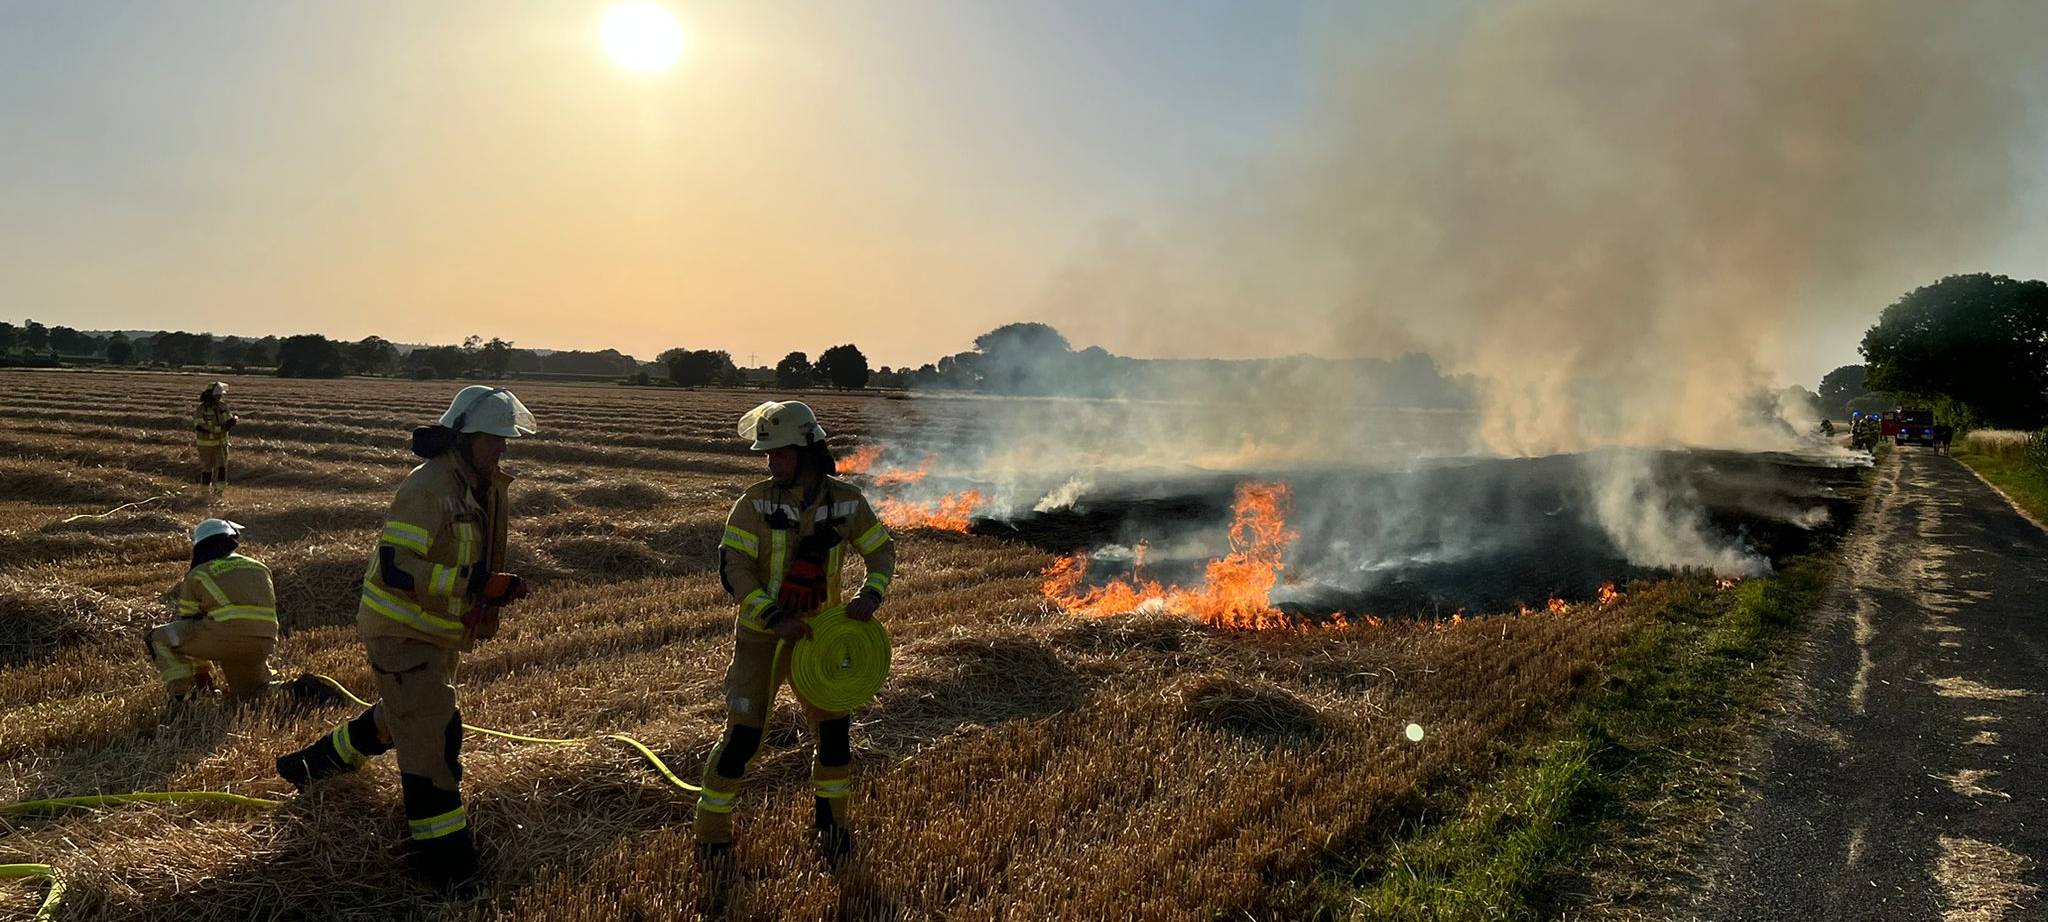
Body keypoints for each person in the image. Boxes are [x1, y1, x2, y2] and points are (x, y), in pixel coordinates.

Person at [273, 386, 534, 893]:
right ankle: (445, 865)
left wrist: (490, 590)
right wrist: (475, 584)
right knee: (432, 744)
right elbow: (397, 567)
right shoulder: (429, 487)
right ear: (464, 437)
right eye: (494, 439)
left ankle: (313, 765)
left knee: (405, 714)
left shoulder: (474, 484)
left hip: (435, 629)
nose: (503, 447)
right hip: (401, 628)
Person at [695, 400, 897, 865]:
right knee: (744, 739)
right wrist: (772, 616)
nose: (771, 462)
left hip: (821, 641)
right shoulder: (754, 503)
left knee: (835, 736)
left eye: (780, 453)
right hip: (762, 638)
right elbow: (734, 568)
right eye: (768, 454)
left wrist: (871, 595)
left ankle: (833, 825)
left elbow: (881, 552)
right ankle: (712, 835)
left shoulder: (846, 501)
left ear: (808, 453)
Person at [145, 518, 277, 707]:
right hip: (263, 642)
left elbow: (189, 622)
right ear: (230, 540)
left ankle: (184, 696)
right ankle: (298, 688)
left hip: (226, 640)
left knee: (157, 638)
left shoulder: (198, 574)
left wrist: (201, 675)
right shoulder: (260, 567)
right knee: (253, 693)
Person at [194, 381, 237, 490]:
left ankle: (219, 492)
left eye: (220, 396)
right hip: (206, 446)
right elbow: (200, 426)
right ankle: (204, 493)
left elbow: (228, 419)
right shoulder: (201, 410)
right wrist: (218, 429)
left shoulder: (223, 407)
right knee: (207, 469)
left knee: (221, 468)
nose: (219, 398)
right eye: (217, 396)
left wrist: (231, 422)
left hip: (221, 444)